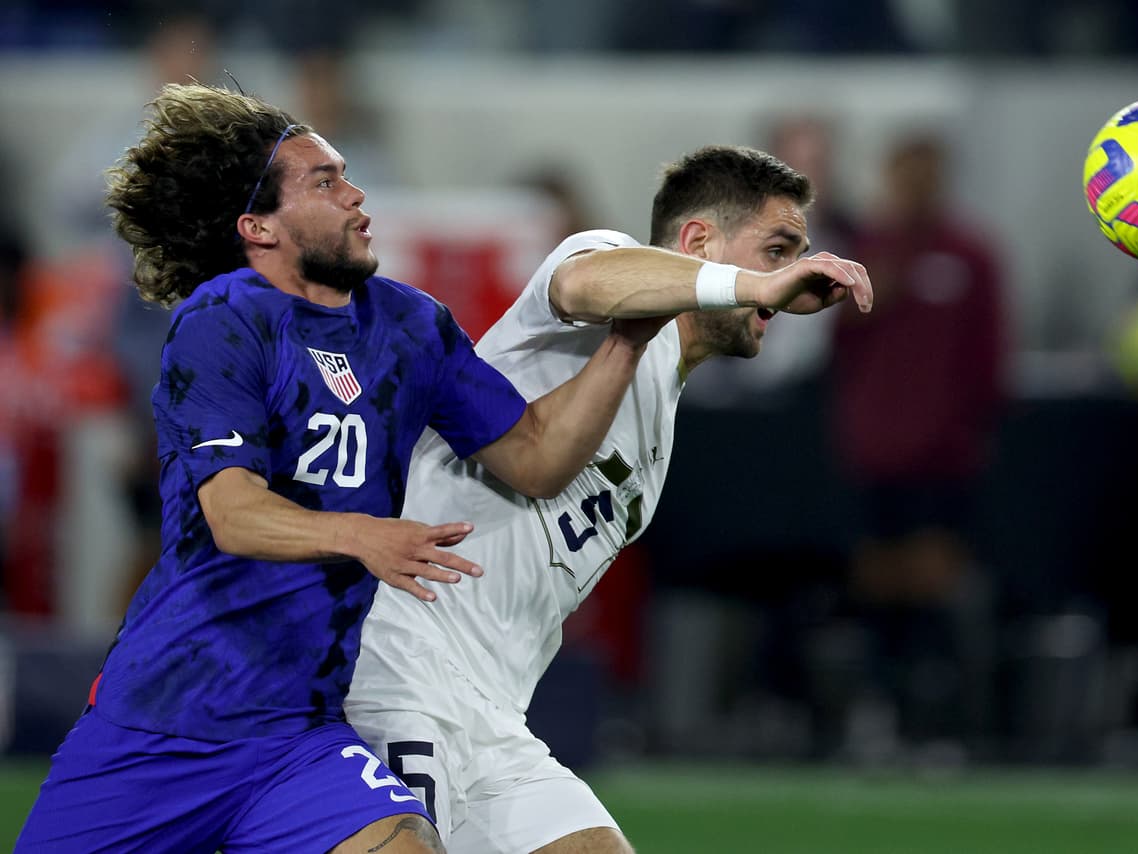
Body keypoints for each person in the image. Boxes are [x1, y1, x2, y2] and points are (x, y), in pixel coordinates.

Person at [16, 81, 671, 854]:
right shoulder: (225, 319)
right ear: (258, 226)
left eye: (347, 175)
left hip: (299, 738)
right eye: (325, 182)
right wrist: (363, 535)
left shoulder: (408, 323)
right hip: (165, 725)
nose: (357, 196)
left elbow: (536, 458)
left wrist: (627, 342)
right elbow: (233, 513)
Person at [346, 144, 873, 853]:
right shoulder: (604, 266)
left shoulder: (661, 418)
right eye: (777, 250)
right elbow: (588, 282)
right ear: (697, 242)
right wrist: (752, 284)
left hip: (493, 713)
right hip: (399, 665)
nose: (789, 279)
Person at [825, 130, 1007, 752]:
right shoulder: (863, 257)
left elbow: (989, 360)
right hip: (873, 454)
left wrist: (969, 436)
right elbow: (834, 349)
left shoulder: (971, 256)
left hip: (942, 458)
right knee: (877, 584)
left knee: (933, 584)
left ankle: (939, 723)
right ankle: (880, 715)